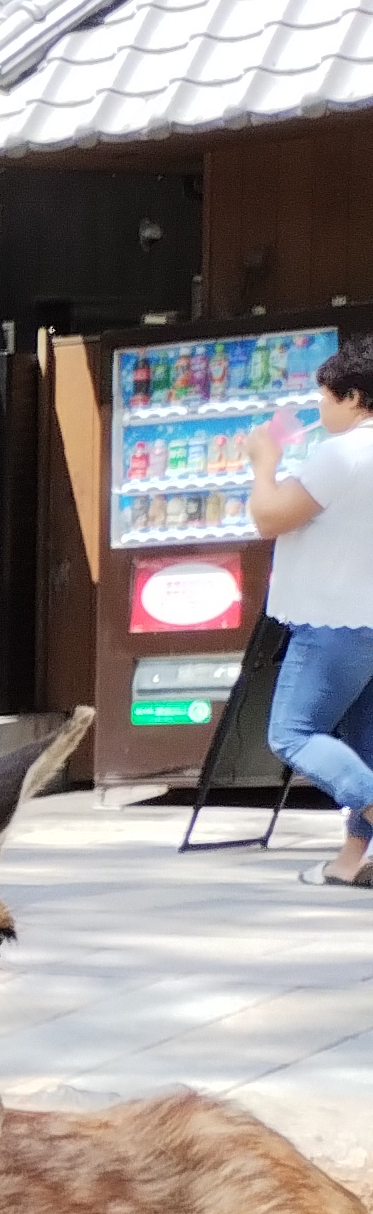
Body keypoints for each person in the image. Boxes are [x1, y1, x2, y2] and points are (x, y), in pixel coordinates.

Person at [254, 341, 373, 890]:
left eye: (325, 398)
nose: (320, 410)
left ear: (353, 398)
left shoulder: (343, 453)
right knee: (364, 743)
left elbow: (269, 517)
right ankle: (352, 861)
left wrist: (264, 464)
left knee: (293, 733)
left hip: (332, 619)